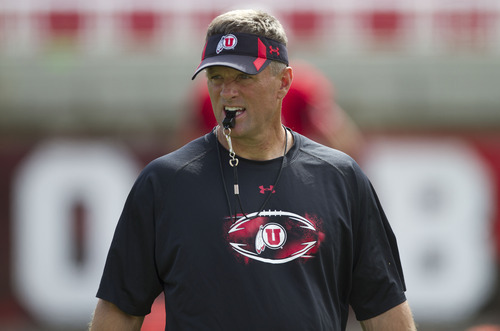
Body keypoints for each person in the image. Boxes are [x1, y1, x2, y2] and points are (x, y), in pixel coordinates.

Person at [89, 9, 416, 331]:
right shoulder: (164, 183)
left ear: (283, 82)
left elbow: (384, 308)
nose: (227, 91)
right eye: (216, 77)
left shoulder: (341, 179)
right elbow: (120, 309)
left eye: (244, 77)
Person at [178, 60, 364, 159]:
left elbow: (338, 137)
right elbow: (339, 136)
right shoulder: (206, 94)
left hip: (282, 174)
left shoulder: (302, 86)